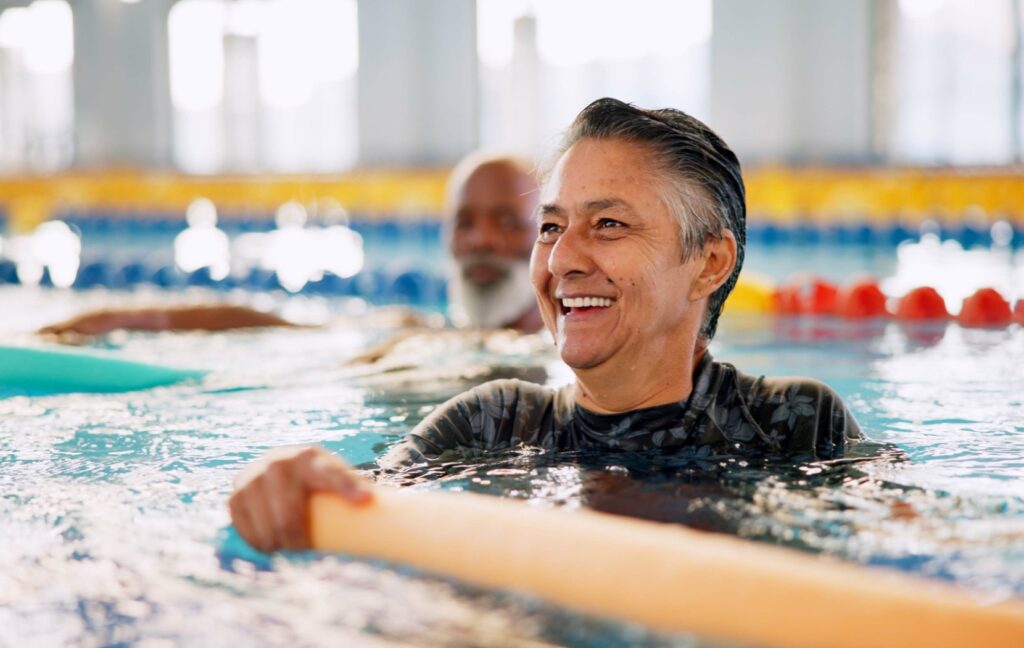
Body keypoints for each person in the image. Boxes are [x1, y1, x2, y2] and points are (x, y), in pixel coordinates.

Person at [230, 98, 863, 552]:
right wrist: (296, 484)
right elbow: (362, 507)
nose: (560, 260)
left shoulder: (793, 426)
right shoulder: (494, 421)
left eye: (608, 225)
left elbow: (906, 549)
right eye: (552, 228)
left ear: (709, 262)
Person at [37, 153, 543, 340]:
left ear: (548, 235)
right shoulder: (415, 331)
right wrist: (124, 319)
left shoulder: (571, 362)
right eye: (465, 223)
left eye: (507, 222)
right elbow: (275, 324)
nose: (482, 241)